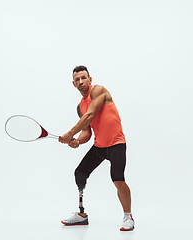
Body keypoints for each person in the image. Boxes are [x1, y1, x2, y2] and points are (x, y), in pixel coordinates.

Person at [59, 65, 134, 231]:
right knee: (80, 173)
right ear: (73, 84)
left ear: (90, 79)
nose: (81, 82)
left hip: (116, 144)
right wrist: (77, 141)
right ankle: (81, 215)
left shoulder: (99, 91)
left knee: (118, 179)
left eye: (83, 78)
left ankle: (128, 216)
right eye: (77, 80)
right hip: (99, 146)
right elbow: (87, 131)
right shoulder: (80, 107)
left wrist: (70, 133)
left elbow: (90, 115)